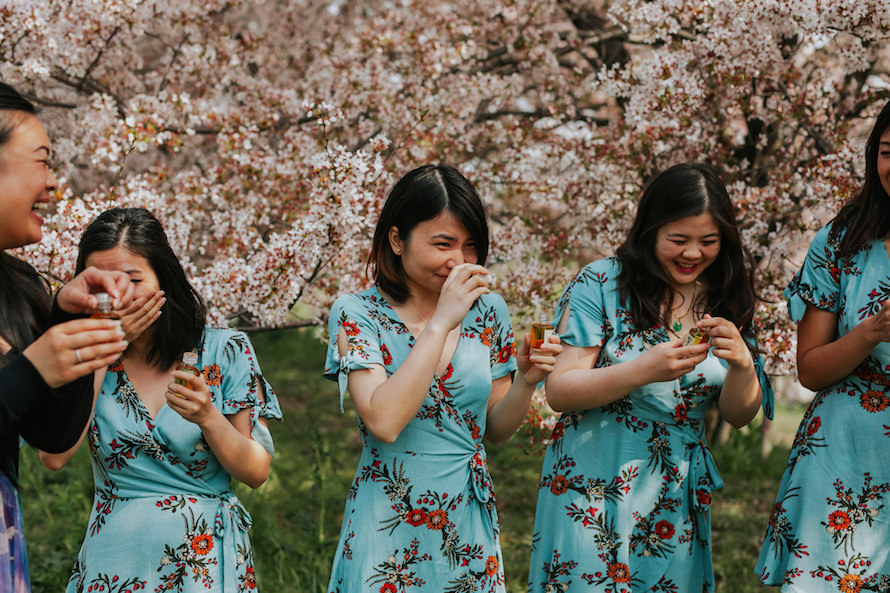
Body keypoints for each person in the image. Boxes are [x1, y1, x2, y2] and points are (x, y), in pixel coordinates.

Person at [527, 163, 773, 592]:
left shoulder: (728, 294)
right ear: (649, 231)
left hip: (673, 493)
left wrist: (742, 366)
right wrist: (644, 370)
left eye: (708, 241)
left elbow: (738, 414)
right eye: (677, 240)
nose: (692, 253)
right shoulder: (602, 283)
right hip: (592, 483)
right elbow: (561, 390)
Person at [323, 163, 561, 592]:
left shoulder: (489, 311)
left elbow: (495, 429)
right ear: (397, 239)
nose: (460, 261)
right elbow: (384, 420)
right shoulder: (357, 313)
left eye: (470, 246)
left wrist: (526, 381)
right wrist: (441, 323)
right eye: (443, 243)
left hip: (465, 522)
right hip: (389, 518)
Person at [39, 207, 282, 592]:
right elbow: (54, 456)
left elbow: (256, 471)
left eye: (133, 279)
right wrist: (105, 349)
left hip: (205, 562)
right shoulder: (81, 355)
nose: (118, 295)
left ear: (162, 278)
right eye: (101, 283)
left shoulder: (225, 350)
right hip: (115, 563)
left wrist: (208, 417)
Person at [0, 81, 133, 592]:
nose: (54, 184)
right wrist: (34, 369)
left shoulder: (22, 285)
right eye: (42, 162)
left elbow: (51, 436)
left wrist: (69, 323)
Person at [756, 100, 890, 591]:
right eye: (888, 151)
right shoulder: (840, 242)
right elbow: (810, 369)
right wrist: (869, 333)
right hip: (844, 452)